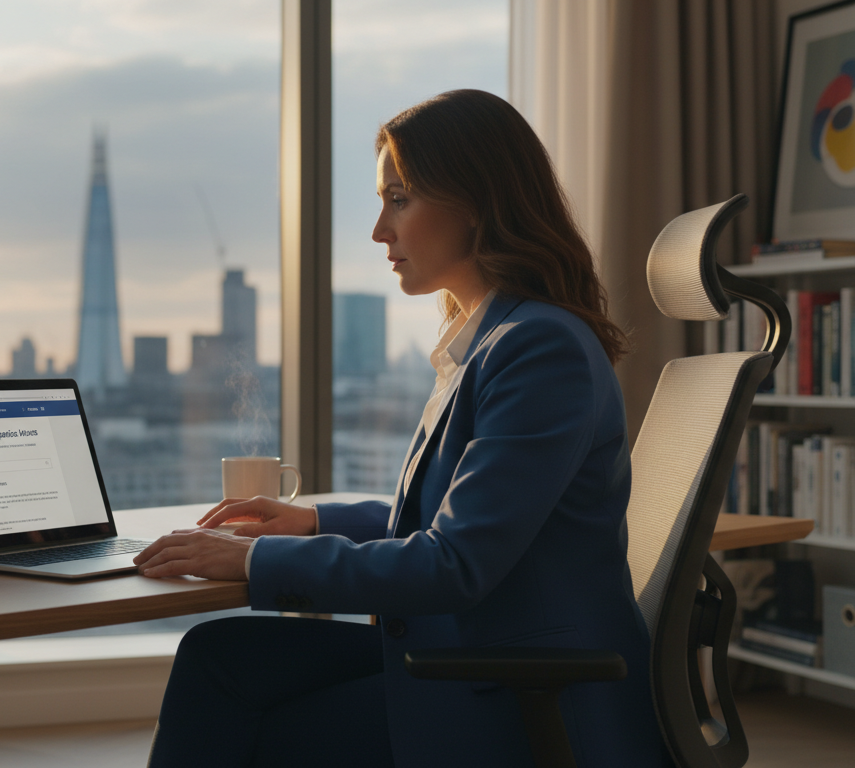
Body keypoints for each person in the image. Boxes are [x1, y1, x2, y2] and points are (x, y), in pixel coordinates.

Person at [132, 89, 668, 767]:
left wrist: (251, 560)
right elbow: (449, 520)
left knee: (257, 734)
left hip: (522, 692)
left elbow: (454, 562)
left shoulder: (539, 350)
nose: (379, 231)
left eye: (399, 199)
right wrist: (312, 522)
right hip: (480, 651)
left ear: (475, 202)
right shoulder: (489, 339)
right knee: (219, 657)